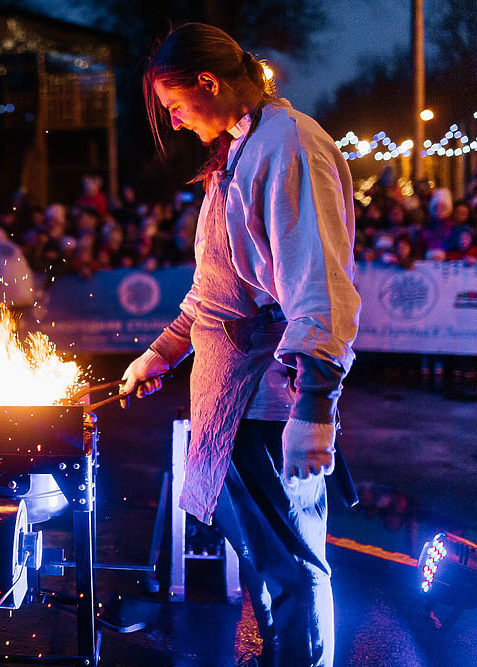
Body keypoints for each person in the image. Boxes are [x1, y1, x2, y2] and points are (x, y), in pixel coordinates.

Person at [119, 23, 360, 667]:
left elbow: (318, 286)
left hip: (264, 402)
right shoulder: (241, 149)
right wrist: (163, 351)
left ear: (210, 82)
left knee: (289, 574)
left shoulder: (289, 145)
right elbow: (220, 290)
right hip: (237, 398)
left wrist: (314, 407)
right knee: (271, 574)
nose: (171, 121)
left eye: (174, 105)